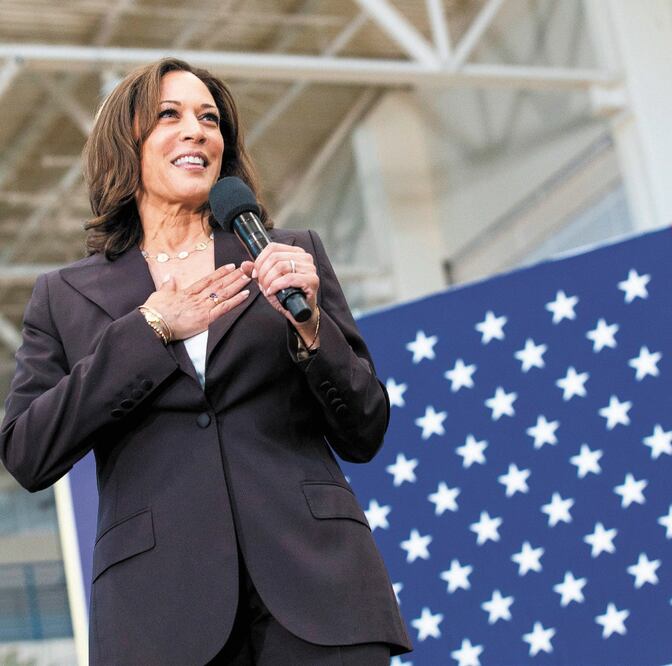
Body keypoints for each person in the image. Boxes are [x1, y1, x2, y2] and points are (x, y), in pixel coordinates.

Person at [0, 58, 411, 665]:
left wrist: (309, 325)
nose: (197, 130)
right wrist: (150, 329)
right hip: (160, 615)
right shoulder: (64, 296)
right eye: (170, 114)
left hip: (319, 595)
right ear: (125, 144)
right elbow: (27, 451)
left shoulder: (288, 256)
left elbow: (366, 428)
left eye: (210, 119)